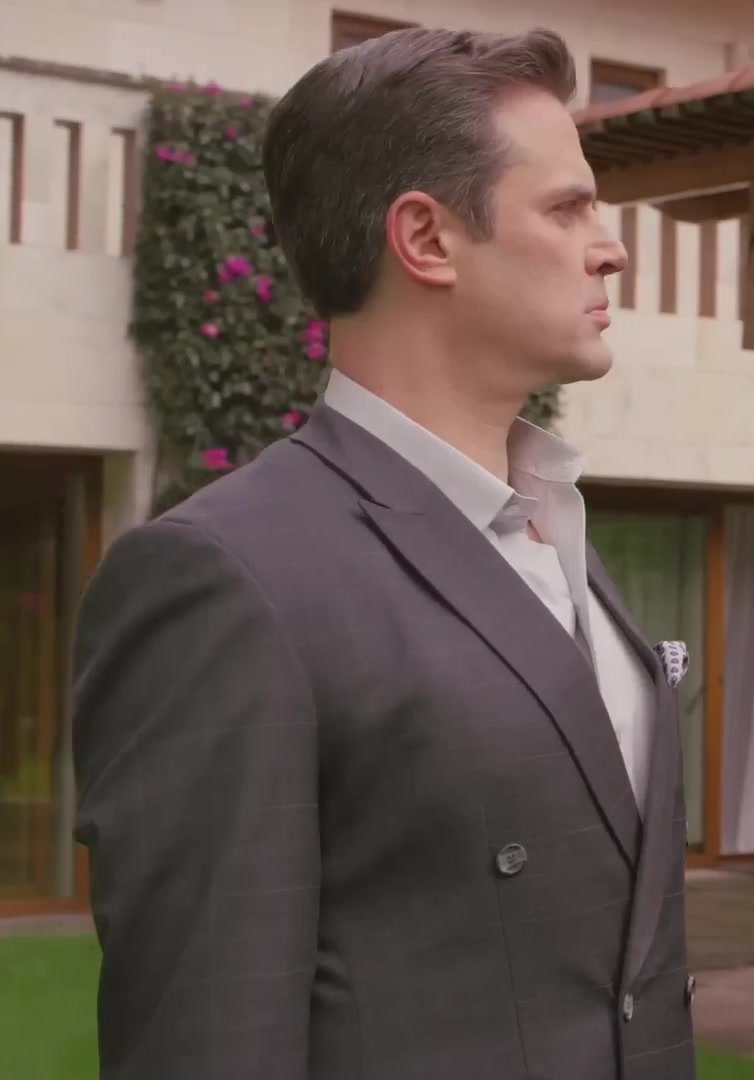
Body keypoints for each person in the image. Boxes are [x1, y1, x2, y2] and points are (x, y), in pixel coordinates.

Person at [69, 27, 695, 1080]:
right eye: (567, 208)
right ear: (427, 239)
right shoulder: (227, 579)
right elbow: (208, 1039)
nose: (611, 247)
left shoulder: (555, 532)